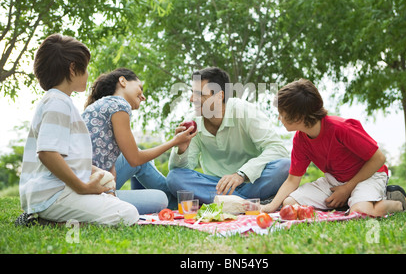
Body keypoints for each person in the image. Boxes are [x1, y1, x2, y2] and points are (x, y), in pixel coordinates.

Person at [18, 34, 138, 226]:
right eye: (86, 67)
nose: (89, 73)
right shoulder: (57, 102)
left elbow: (65, 157)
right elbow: (47, 153)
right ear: (73, 68)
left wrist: (93, 171)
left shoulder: (60, 102)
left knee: (115, 204)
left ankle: (47, 219)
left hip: (59, 192)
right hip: (53, 195)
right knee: (128, 214)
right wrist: (82, 187)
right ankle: (43, 221)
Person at [261, 78, 406, 217]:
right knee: (290, 204)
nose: (279, 117)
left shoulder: (341, 128)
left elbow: (379, 158)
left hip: (368, 176)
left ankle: (398, 202)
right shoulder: (300, 140)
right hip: (336, 181)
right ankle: (350, 201)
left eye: (281, 113)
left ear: (299, 117)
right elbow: (293, 179)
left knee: (361, 213)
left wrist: (347, 188)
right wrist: (272, 206)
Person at [166, 67, 291, 204]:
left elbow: (278, 149)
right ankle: (251, 204)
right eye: (192, 93)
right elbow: (182, 171)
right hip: (216, 186)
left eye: (199, 94)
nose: (191, 99)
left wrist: (241, 174)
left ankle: (228, 202)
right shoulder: (193, 122)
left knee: (285, 166)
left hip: (252, 182)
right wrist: (181, 149)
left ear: (220, 96)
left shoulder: (245, 111)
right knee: (174, 177)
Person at [82, 68, 196, 212]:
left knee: (142, 162)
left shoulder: (104, 105)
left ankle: (182, 202)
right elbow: (135, 159)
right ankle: (184, 203)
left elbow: (116, 164)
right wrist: (175, 141)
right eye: (140, 89)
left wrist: (111, 189)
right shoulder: (119, 105)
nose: (143, 97)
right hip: (87, 186)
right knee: (160, 199)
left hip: (95, 176)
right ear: (122, 81)